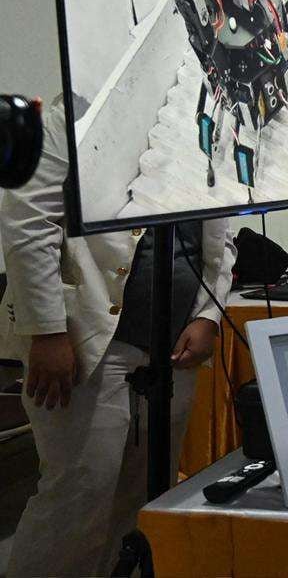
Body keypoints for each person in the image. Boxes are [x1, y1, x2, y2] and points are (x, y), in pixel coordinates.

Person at [0, 100, 236, 577]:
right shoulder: (68, 116)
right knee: (78, 499)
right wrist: (46, 331)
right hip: (85, 338)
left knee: (144, 497)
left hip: (174, 344)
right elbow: (27, 225)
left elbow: (222, 226)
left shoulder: (206, 106)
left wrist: (209, 315)